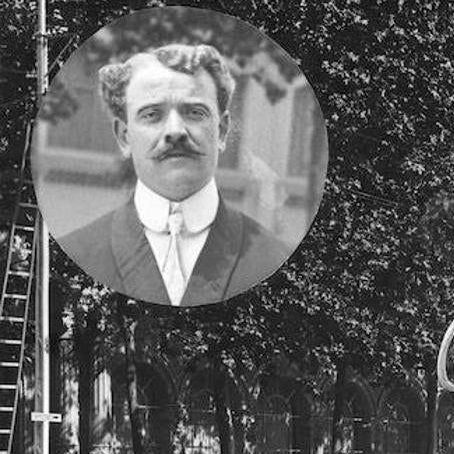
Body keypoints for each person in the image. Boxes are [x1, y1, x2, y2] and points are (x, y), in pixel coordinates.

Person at [57, 43, 289, 306]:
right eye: (152, 114)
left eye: (194, 112)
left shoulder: (276, 258)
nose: (175, 130)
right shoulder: (76, 253)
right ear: (124, 137)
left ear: (222, 131)